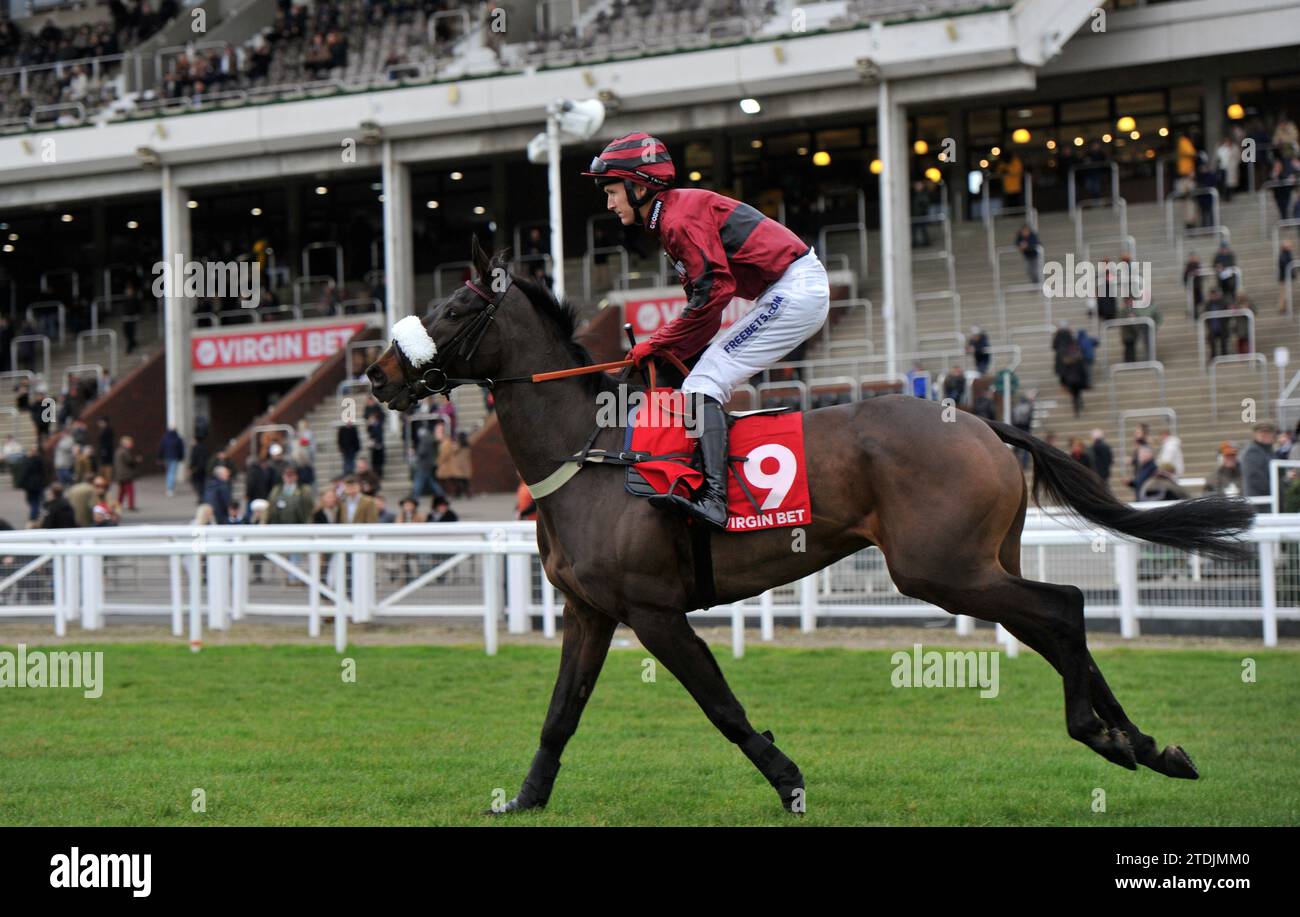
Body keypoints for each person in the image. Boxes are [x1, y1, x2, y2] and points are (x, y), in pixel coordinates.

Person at [583, 132, 829, 528]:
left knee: (702, 385)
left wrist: (658, 343)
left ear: (638, 186)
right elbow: (707, 311)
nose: (609, 203)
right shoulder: (672, 217)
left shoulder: (678, 218)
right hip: (787, 290)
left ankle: (715, 499)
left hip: (793, 291)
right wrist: (666, 350)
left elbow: (714, 291)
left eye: (612, 191)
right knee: (699, 380)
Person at [1241, 422, 1276, 498]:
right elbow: (1255, 478)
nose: (1265, 435)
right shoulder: (1252, 451)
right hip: (1261, 500)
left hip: (1271, 499)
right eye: (1261, 432)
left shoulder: (1269, 451)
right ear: (1255, 435)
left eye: (1268, 432)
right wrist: (1275, 489)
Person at [113, 434, 142, 511]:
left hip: (120, 474)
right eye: (130, 443)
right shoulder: (124, 452)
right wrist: (137, 460)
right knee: (130, 491)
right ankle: (131, 505)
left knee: (121, 492)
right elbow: (129, 462)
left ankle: (118, 505)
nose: (131, 445)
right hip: (126, 474)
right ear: (125, 443)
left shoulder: (118, 451)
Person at [158, 425, 185, 497]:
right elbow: (181, 450)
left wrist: (159, 457)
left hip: (166, 457)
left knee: (169, 473)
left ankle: (169, 488)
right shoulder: (178, 439)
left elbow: (161, 448)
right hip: (174, 457)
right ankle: (170, 489)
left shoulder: (165, 438)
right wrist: (181, 457)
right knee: (172, 473)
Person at [1280, 240, 1295, 315]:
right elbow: (1285, 265)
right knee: (1284, 294)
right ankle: (1282, 308)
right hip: (1285, 278)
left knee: (1285, 294)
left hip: (1286, 277)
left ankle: (1284, 308)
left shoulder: (1287, 254)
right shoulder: (1284, 255)